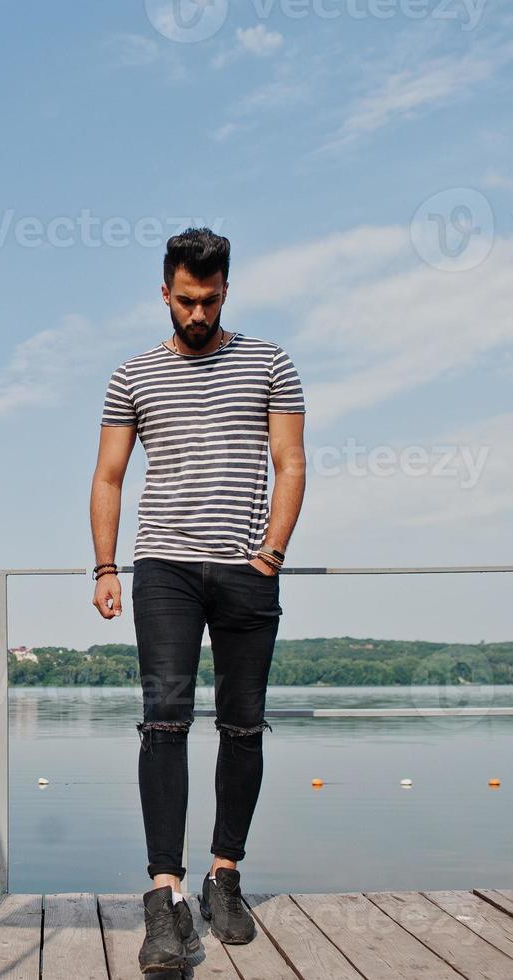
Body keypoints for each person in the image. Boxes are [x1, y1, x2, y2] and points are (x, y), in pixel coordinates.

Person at [88, 227, 306, 973]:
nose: (197, 313)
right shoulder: (132, 376)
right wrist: (104, 567)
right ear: (164, 292)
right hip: (165, 571)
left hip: (246, 571)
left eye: (209, 300)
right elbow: (109, 476)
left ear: (225, 292)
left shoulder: (269, 362)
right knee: (164, 723)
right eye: (185, 300)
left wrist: (271, 554)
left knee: (243, 727)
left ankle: (224, 877)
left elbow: (290, 463)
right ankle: (164, 896)